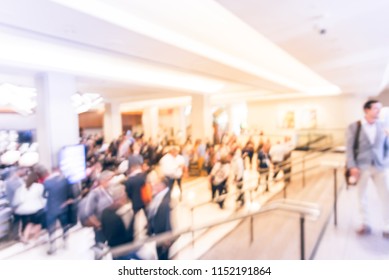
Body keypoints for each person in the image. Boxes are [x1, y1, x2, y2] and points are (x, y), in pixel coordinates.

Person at [346, 99, 389, 237]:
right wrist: (352, 166)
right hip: (361, 167)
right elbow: (349, 148)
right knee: (361, 196)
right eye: (376, 108)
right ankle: (365, 223)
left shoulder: (383, 126)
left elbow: (386, 146)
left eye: (379, 109)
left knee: (386, 195)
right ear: (367, 110)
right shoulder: (354, 126)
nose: (378, 111)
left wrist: (385, 161)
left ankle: (387, 226)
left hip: (379, 166)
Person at [146, 169, 173, 260]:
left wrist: (167, 238)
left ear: (162, 186)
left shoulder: (166, 201)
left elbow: (168, 220)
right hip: (157, 235)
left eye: (156, 184)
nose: (153, 186)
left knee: (163, 257)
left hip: (163, 237)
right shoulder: (159, 196)